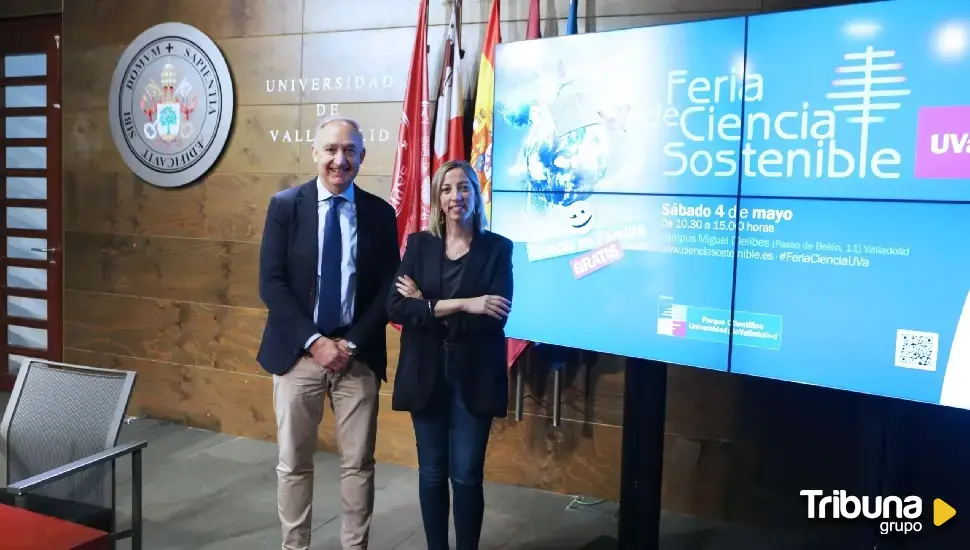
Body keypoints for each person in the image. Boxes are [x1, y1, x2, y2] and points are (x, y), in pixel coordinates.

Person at [256, 116, 400, 550]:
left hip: (357, 356)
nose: (341, 160)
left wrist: (349, 343)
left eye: (350, 151)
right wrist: (315, 343)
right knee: (294, 463)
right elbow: (271, 283)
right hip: (298, 355)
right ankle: (295, 546)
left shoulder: (379, 213)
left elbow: (387, 289)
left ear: (361, 156)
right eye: (332, 150)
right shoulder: (285, 206)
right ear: (315, 153)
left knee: (358, 464)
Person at [386, 160, 514, 550]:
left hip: (474, 375)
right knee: (431, 472)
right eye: (446, 189)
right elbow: (395, 308)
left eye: (463, 188)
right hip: (426, 373)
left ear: (476, 195)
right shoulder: (419, 245)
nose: (455, 196)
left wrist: (428, 304)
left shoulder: (498, 248)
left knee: (466, 475)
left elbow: (494, 316)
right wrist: (466, 304)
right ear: (437, 199)